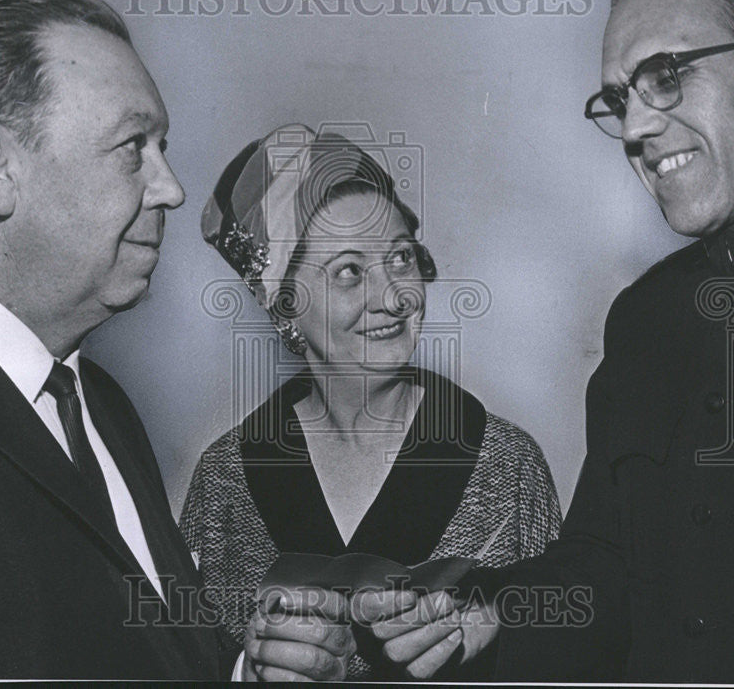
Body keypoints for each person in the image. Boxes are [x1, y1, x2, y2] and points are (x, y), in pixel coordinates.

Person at [355, 0, 734, 684]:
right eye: (619, 98)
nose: (637, 126)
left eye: (668, 74)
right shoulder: (645, 318)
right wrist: (491, 612)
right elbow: (605, 566)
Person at [0, 0, 352, 681]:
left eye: (163, 147)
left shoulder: (100, 404)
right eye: (132, 147)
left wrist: (248, 673)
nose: (172, 189)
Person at [181, 123, 562, 680]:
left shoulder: (508, 465)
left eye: (402, 258)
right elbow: (183, 664)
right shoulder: (224, 482)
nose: (392, 297)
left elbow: (574, 651)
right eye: (349, 271)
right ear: (284, 304)